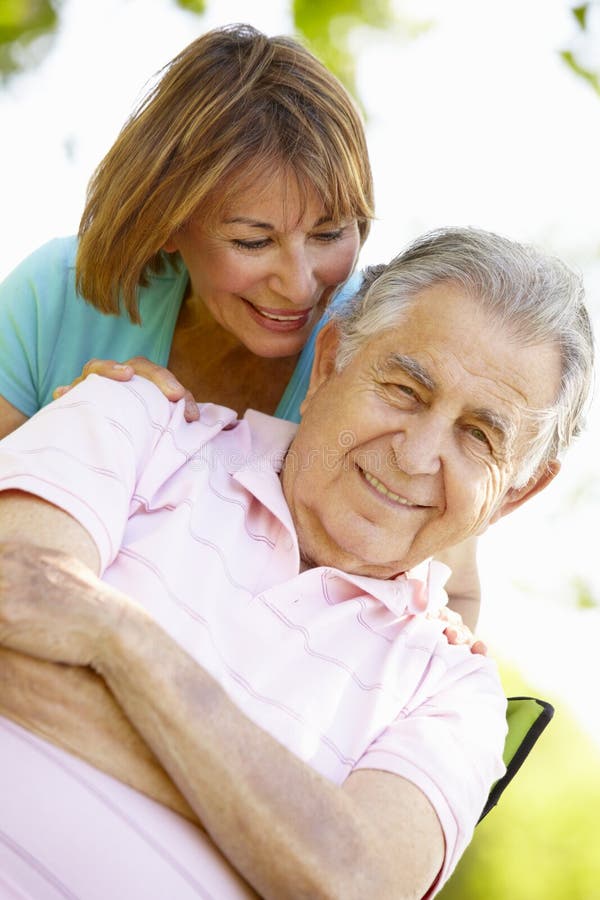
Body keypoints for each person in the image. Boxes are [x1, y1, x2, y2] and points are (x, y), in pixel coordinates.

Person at [0, 227, 593, 899]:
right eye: (403, 389)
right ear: (331, 363)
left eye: (478, 436)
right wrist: (280, 824)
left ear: (518, 490)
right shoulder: (132, 419)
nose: (418, 454)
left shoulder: (458, 693)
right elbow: (13, 611)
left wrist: (123, 638)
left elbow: (355, 884)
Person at [0, 22, 482, 627]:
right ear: (168, 223)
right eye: (254, 241)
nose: (302, 283)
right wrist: (68, 435)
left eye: (331, 233)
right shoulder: (58, 293)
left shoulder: (380, 346)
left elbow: (454, 593)